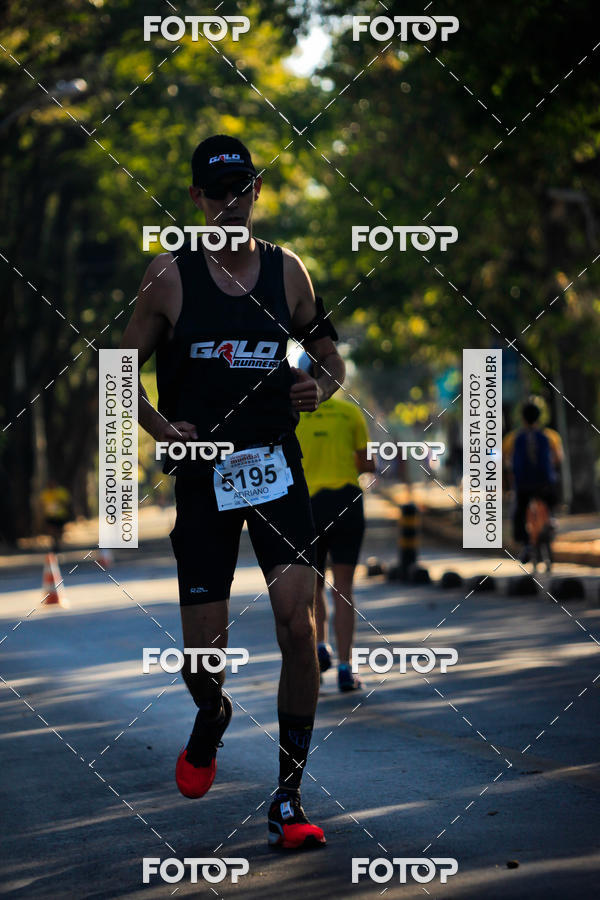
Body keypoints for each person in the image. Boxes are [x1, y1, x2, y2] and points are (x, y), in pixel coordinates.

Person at [120, 134, 345, 849]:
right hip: (204, 480)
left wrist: (321, 382)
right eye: (216, 192)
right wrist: (165, 431)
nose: (230, 203)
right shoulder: (169, 280)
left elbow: (329, 351)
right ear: (196, 200)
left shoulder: (290, 274)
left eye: (241, 188)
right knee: (202, 662)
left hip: (277, 470)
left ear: (255, 191)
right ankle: (211, 716)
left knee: (296, 622)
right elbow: (115, 376)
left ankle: (288, 799)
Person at [295, 353, 375, 692]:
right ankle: (345, 668)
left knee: (312, 587)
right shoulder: (350, 412)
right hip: (345, 502)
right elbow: (367, 465)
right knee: (344, 588)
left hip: (306, 507)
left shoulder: (293, 416)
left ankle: (319, 649)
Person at [508, 402, 558, 563]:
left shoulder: (513, 438)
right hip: (545, 483)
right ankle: (551, 520)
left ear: (522, 418)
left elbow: (505, 461)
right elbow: (558, 458)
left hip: (523, 484)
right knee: (550, 504)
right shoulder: (550, 436)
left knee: (519, 513)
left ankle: (525, 544)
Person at [40, 479, 71, 552]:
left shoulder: (61, 492)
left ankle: (58, 541)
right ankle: (54, 542)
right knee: (51, 530)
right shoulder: (45, 493)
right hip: (50, 515)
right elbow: (42, 503)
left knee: (59, 530)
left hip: (60, 515)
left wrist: (61, 502)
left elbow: (67, 502)